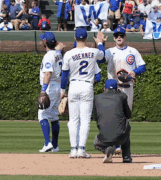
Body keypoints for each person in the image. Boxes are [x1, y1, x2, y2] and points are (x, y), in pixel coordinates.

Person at [60, 27, 107, 159]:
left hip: (74, 85)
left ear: (75, 38)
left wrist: (62, 92)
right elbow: (102, 56)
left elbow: (64, 76)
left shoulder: (68, 54)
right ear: (86, 38)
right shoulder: (92, 52)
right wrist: (100, 42)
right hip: (87, 85)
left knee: (73, 120)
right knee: (85, 120)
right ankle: (81, 149)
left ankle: (73, 150)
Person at [103, 26, 146, 110]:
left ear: (125, 37)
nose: (119, 37)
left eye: (121, 35)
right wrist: (102, 44)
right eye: (116, 35)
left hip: (128, 86)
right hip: (114, 87)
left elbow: (142, 66)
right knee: (114, 112)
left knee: (127, 113)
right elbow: (101, 59)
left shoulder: (133, 51)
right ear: (114, 38)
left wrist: (135, 71)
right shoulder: (110, 51)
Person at [93, 79, 132, 164]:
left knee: (96, 143)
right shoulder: (122, 96)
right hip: (121, 137)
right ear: (116, 88)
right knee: (127, 125)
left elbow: (96, 117)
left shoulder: (97, 97)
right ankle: (126, 157)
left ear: (104, 89)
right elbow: (128, 115)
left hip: (103, 138)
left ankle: (107, 150)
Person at [37, 31, 63, 153]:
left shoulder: (48, 55)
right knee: (53, 116)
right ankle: (55, 145)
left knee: (42, 115)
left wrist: (43, 91)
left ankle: (47, 143)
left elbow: (48, 73)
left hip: (50, 86)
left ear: (45, 42)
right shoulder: (58, 54)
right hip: (57, 86)